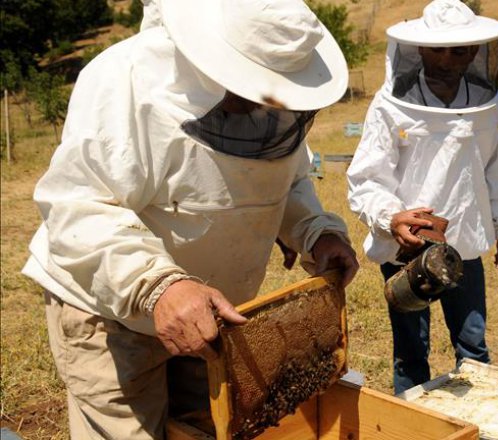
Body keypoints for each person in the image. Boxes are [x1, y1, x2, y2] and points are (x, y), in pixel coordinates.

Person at [20, 0, 358, 437]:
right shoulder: (126, 79)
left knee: (203, 428)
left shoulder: (278, 112)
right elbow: (78, 204)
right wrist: (158, 285)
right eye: (254, 84)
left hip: (210, 317)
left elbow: (286, 182)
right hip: (107, 308)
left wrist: (315, 232)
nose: (264, 102)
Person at [347, 0, 498, 394]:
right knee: (410, 350)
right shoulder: (390, 105)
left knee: (473, 346)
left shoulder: (486, 103)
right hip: (405, 247)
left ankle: (477, 427)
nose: (447, 59)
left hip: (464, 246)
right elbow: (365, 179)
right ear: (419, 49)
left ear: (476, 51)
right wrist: (391, 217)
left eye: (459, 50)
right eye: (438, 49)